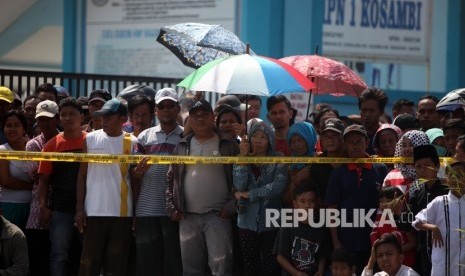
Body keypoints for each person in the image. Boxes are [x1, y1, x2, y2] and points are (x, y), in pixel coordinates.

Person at [166, 99, 239, 275]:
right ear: (189, 120)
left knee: (221, 268)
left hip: (218, 217)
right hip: (187, 217)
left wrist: (231, 206)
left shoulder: (228, 144)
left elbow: (240, 178)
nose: (200, 119)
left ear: (213, 117)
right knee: (191, 270)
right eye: (195, 116)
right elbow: (170, 178)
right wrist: (171, 206)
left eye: (204, 115)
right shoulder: (182, 145)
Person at [74, 99, 136, 276]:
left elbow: (135, 178)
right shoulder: (90, 138)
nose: (104, 121)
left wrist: (136, 213)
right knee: (88, 265)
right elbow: (82, 174)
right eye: (102, 117)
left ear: (123, 118)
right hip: (93, 211)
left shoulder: (132, 142)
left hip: (121, 213)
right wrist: (79, 208)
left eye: (109, 117)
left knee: (116, 267)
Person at [131, 88, 183, 276]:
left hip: (175, 210)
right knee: (147, 264)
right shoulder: (144, 137)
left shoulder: (185, 137)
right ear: (156, 111)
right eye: (162, 106)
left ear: (178, 109)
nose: (166, 110)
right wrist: (138, 172)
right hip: (146, 210)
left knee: (173, 264)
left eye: (170, 106)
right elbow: (135, 177)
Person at [325, 124, 388, 275]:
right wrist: (336, 242)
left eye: (359, 141)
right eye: (350, 142)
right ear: (345, 145)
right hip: (347, 239)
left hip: (375, 239)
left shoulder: (380, 168)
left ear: (367, 143)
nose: (354, 146)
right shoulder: (338, 172)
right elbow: (332, 207)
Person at [38, 98, 86, 276]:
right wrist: (43, 205)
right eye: (64, 115)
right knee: (59, 256)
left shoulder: (92, 141)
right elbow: (44, 180)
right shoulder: (51, 146)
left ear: (81, 117)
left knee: (90, 255)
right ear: (59, 119)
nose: (68, 118)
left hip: (90, 208)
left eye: (72, 114)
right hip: (61, 210)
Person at [233, 119, 287, 275]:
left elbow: (278, 188)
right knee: (251, 268)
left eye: (263, 136)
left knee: (271, 268)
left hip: (271, 222)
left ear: (270, 140)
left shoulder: (279, 158)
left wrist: (250, 195)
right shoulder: (240, 158)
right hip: (246, 222)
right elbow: (240, 186)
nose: (258, 140)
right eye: (254, 135)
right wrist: (243, 159)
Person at [25, 100, 59, 276]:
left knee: (58, 256)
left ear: (56, 119)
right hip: (38, 208)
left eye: (49, 119)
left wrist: (48, 173)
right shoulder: (32, 145)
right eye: (41, 119)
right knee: (37, 258)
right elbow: (36, 175)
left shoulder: (64, 141)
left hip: (62, 208)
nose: (44, 123)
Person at [412, 160, 465, 276]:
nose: (456, 179)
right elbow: (417, 222)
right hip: (443, 265)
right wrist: (433, 227)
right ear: (446, 180)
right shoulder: (440, 202)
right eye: (452, 175)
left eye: (460, 175)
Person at [407, 144, 448, 276]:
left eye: (427, 165)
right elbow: (410, 223)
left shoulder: (448, 191)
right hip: (424, 255)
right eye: (418, 166)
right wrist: (397, 213)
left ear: (437, 166)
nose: (423, 170)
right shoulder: (416, 193)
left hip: (447, 251)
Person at [273, 184, 330, 276]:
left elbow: (323, 255)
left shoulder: (321, 227)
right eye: (302, 201)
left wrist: (321, 269)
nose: (307, 205)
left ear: (316, 203)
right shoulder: (288, 226)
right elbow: (280, 256)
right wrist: (295, 273)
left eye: (311, 201)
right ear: (295, 204)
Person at [0, 111, 32, 229]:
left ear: (24, 128)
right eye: (8, 125)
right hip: (9, 207)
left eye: (16, 125)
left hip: (33, 207)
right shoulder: (2, 150)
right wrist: (31, 186)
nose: (12, 129)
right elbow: (6, 181)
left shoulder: (34, 148)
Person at [370, 186, 416, 267]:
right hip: (386, 264)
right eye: (381, 201)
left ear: (399, 201)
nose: (384, 204)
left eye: (388, 201)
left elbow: (414, 243)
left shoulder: (405, 217)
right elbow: (374, 236)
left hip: (406, 263)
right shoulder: (379, 216)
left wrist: (392, 252)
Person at [310, 118, 346, 202]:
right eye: (326, 136)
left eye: (334, 135)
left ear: (343, 138)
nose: (330, 139)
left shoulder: (352, 159)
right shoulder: (317, 163)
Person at [383, 130, 430, 195]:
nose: (407, 149)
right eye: (404, 145)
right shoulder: (391, 176)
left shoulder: (432, 174)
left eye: (411, 145)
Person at [283, 121, 317, 207]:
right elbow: (285, 200)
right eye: (292, 141)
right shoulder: (288, 165)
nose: (296, 145)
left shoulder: (320, 161)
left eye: (300, 140)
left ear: (310, 138)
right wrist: (296, 180)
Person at [358, 87, 389, 155]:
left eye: (372, 111)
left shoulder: (388, 136)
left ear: (381, 112)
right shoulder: (354, 135)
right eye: (364, 110)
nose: (367, 114)